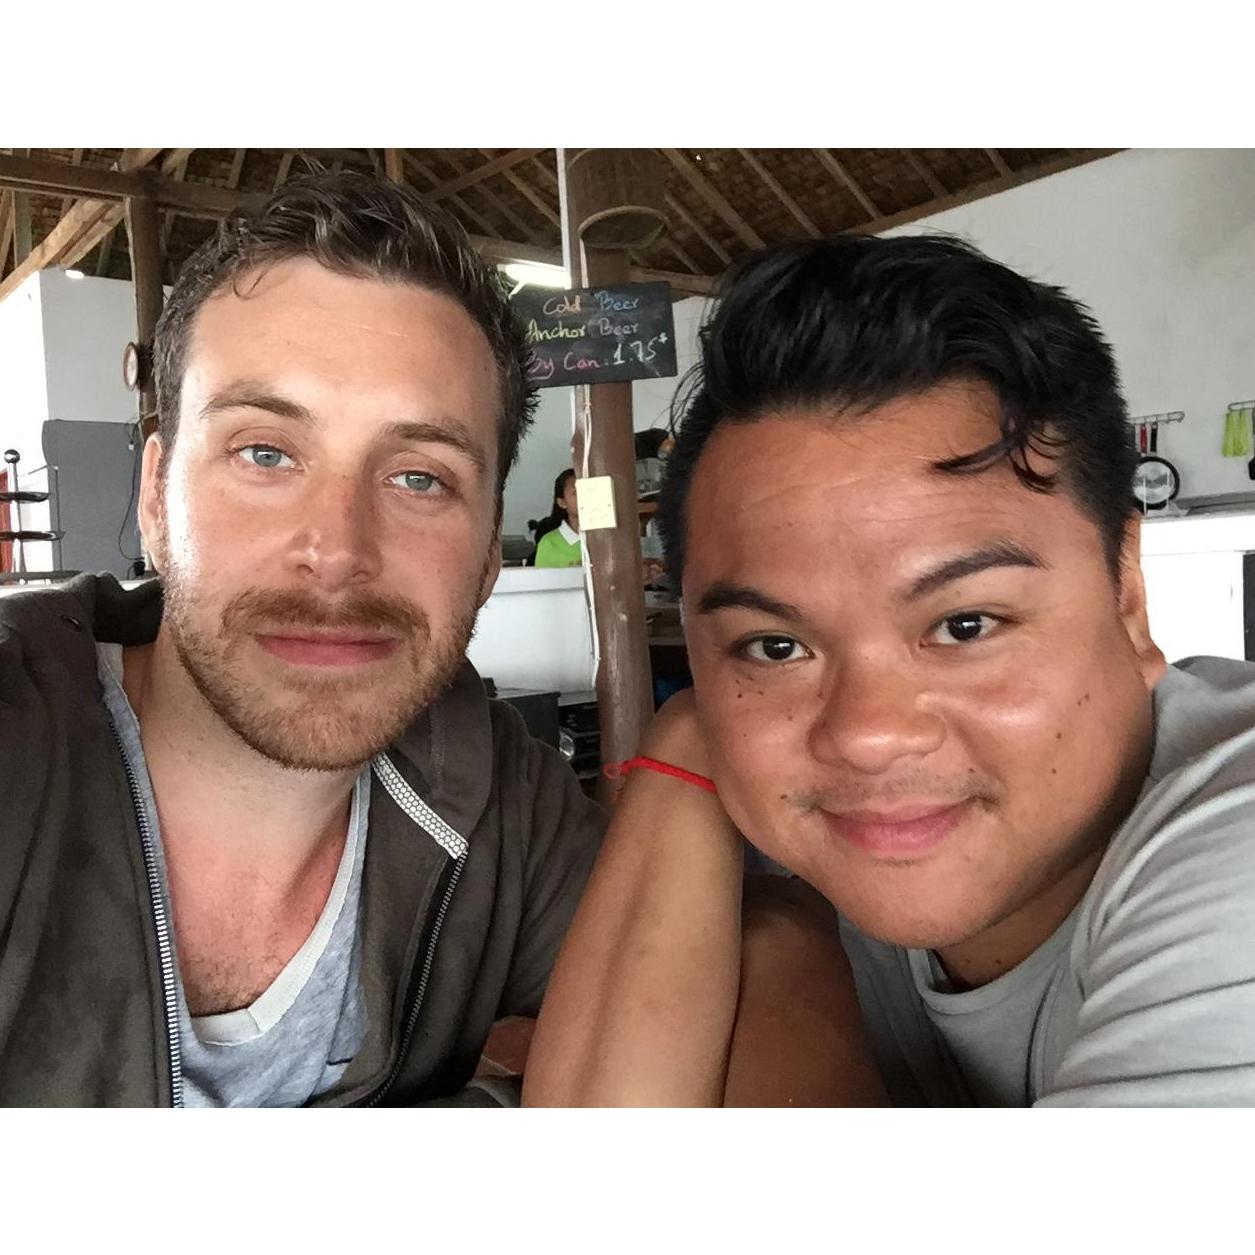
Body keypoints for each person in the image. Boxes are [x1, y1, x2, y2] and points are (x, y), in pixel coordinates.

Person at [525, 233, 1255, 1107]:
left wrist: (781, 959)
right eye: (773, 646)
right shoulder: (787, 865)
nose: (867, 734)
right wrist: (686, 752)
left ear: (1125, 595)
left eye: (964, 624)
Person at [0, 172, 611, 1107]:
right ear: (155, 498)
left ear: (490, 551)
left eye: (418, 477)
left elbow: (749, 960)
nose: (336, 551)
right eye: (265, 453)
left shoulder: (502, 799)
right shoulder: (19, 737)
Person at [530, 468, 582, 567]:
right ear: (562, 502)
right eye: (576, 492)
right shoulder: (548, 544)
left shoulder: (607, 535)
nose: (585, 496)